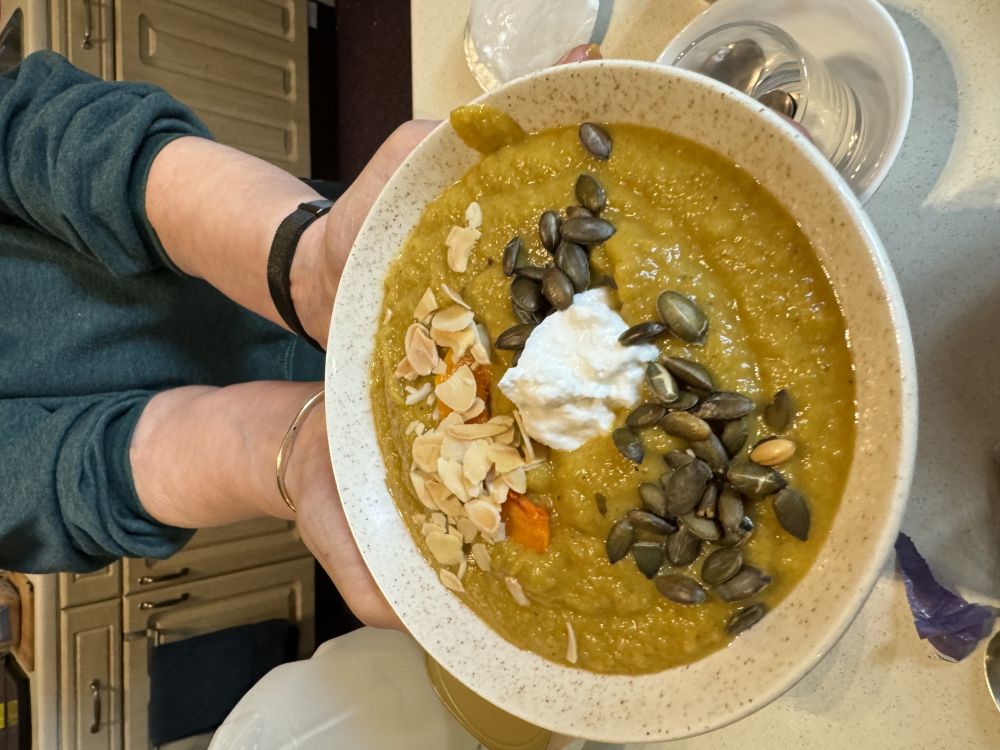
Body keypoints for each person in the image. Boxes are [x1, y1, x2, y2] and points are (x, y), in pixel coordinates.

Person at [0, 50, 433, 628]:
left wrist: (302, 270)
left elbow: (35, 138)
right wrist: (302, 450)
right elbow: (73, 481)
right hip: (231, 432)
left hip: (267, 236)